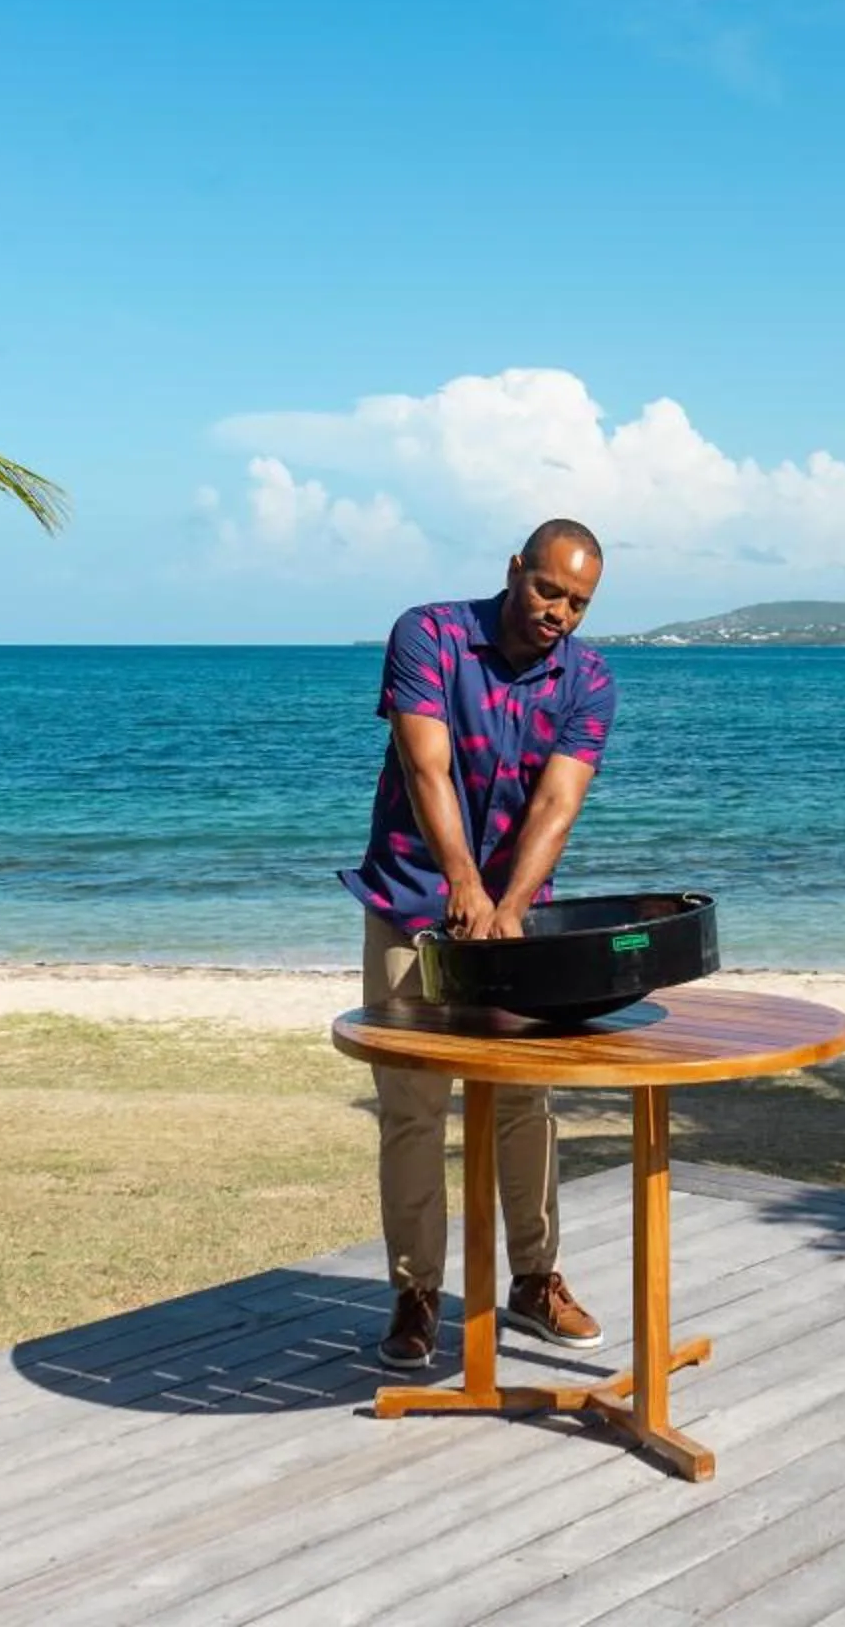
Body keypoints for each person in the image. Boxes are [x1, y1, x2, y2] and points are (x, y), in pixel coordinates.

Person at [343, 518, 617, 1371]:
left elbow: (556, 805)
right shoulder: (427, 635)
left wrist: (511, 902)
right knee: (413, 1109)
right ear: (513, 570)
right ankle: (416, 1294)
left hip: (518, 921)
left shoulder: (590, 679)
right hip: (409, 906)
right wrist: (462, 883)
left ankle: (536, 1281)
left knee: (528, 1102)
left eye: (577, 603)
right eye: (547, 591)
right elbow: (426, 767)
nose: (558, 614)